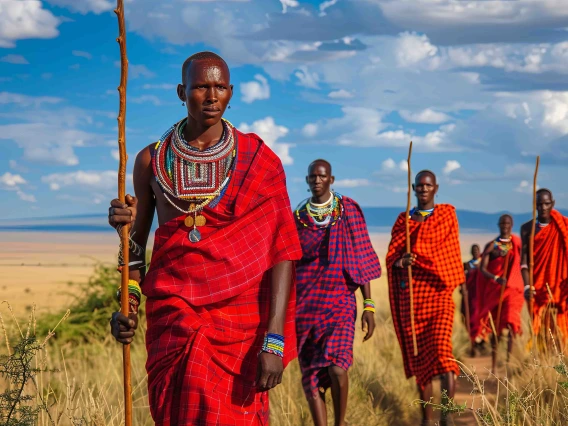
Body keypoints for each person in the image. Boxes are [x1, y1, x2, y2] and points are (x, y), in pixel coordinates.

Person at [107, 51, 302, 425]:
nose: (211, 96)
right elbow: (135, 250)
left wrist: (274, 339)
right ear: (182, 92)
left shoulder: (260, 161)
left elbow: (283, 252)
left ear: (231, 93)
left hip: (241, 325)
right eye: (200, 87)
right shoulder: (152, 160)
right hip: (175, 315)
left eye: (219, 87)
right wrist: (127, 303)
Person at [294, 159, 381, 426]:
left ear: (331, 179)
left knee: (337, 367)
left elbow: (361, 259)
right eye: (312, 177)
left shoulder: (348, 211)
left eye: (322, 177)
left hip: (340, 301)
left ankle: (339, 423)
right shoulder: (299, 218)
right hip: (306, 306)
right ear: (307, 181)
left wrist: (368, 305)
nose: (317, 181)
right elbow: (290, 261)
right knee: (310, 376)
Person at [386, 170, 464, 426]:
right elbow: (391, 258)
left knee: (443, 354)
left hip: (439, 296)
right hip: (413, 300)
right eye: (419, 185)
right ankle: (426, 419)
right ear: (413, 187)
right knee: (422, 362)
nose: (423, 189)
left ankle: (447, 415)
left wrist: (418, 253)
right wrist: (401, 260)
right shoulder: (403, 220)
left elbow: (449, 255)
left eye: (428, 185)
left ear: (436, 188)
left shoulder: (446, 215)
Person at [474, 215, 523, 372]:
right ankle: (494, 364)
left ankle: (509, 363)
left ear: (512, 224)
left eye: (507, 223)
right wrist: (495, 278)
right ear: (498, 225)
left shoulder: (517, 244)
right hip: (496, 293)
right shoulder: (492, 246)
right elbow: (482, 268)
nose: (505, 226)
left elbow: (523, 263)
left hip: (513, 291)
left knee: (511, 323)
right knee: (496, 330)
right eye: (502, 223)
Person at [521, 188, 568, 346]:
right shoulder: (528, 229)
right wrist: (527, 286)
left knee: (560, 327)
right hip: (537, 288)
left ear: (553, 203)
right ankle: (542, 362)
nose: (543, 208)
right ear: (535, 205)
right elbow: (524, 263)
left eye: (547, 204)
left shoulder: (563, 227)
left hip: (560, 287)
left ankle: (562, 362)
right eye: (539, 204)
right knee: (540, 328)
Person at [462, 244, 482, 354]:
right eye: (473, 250)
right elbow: (462, 279)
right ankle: (472, 342)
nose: (475, 252)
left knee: (480, 318)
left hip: (481, 296)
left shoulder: (484, 263)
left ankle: (480, 341)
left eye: (477, 250)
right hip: (470, 296)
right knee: (469, 317)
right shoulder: (466, 265)